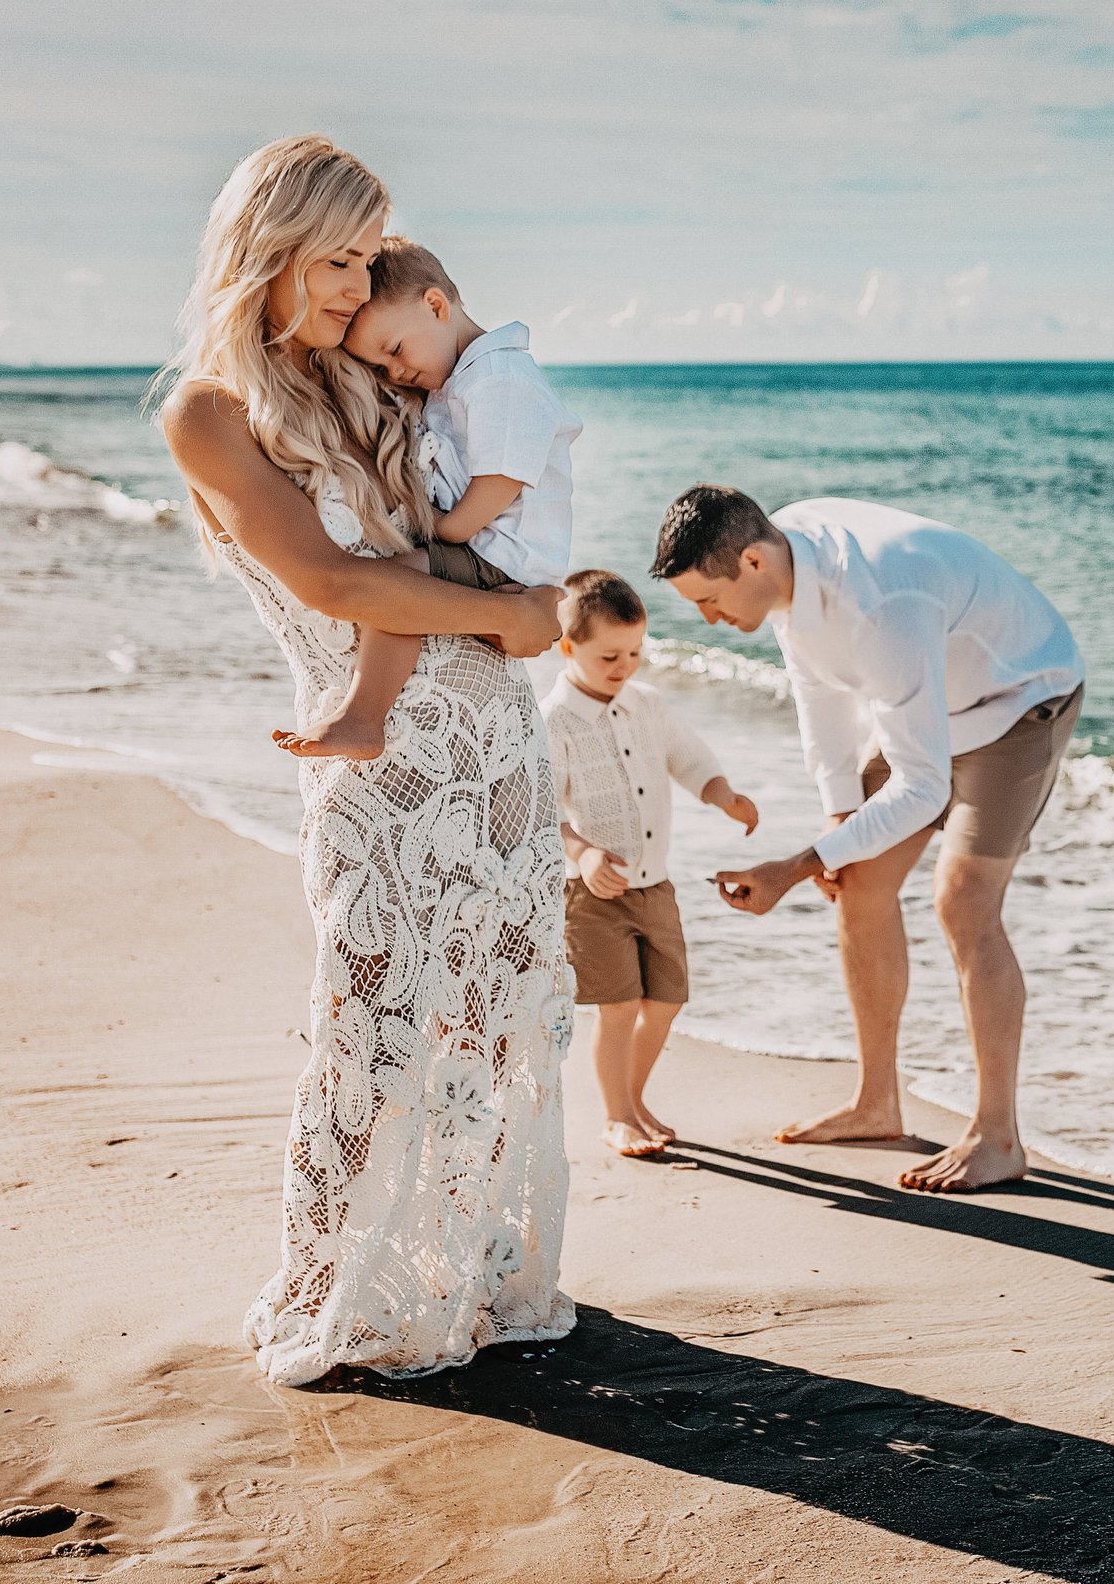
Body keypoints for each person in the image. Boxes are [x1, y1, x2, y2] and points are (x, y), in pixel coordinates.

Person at [156, 134, 578, 1386]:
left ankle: (474, 1277)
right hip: (380, 771)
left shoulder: (363, 383)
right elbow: (338, 580)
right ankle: (344, 1287)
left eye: (361, 260)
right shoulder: (211, 414)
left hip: (497, 749)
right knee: (375, 1027)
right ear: (267, 250)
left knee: (495, 1026)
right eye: (335, 259)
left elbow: (476, 513)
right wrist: (514, 620)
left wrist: (519, 613)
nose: (356, 285)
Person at [653, 486, 1083, 1193]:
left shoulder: (878, 600)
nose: (707, 617)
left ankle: (998, 1136)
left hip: (1019, 698)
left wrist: (795, 866)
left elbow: (923, 787)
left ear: (753, 560)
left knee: (963, 903)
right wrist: (834, 826)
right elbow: (820, 710)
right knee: (856, 877)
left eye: (708, 598)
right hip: (926, 704)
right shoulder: (785, 571)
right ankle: (877, 1102)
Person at [272, 235, 582, 761]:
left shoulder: (501, 377)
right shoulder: (456, 379)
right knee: (403, 582)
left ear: (436, 305)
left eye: (394, 351)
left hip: (502, 552)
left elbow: (502, 479)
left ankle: (362, 718)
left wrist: (447, 529)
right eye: (380, 367)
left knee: (398, 585)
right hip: (489, 548)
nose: (395, 373)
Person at [545, 569, 760, 1159]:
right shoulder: (555, 720)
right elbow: (542, 810)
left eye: (636, 651)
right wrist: (585, 853)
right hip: (594, 895)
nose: (626, 665)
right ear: (568, 648)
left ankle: (634, 1101)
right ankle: (617, 1117)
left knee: (665, 1001)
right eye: (610, 655)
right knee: (616, 1009)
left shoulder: (648, 705)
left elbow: (690, 760)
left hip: (655, 887)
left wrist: (723, 794)